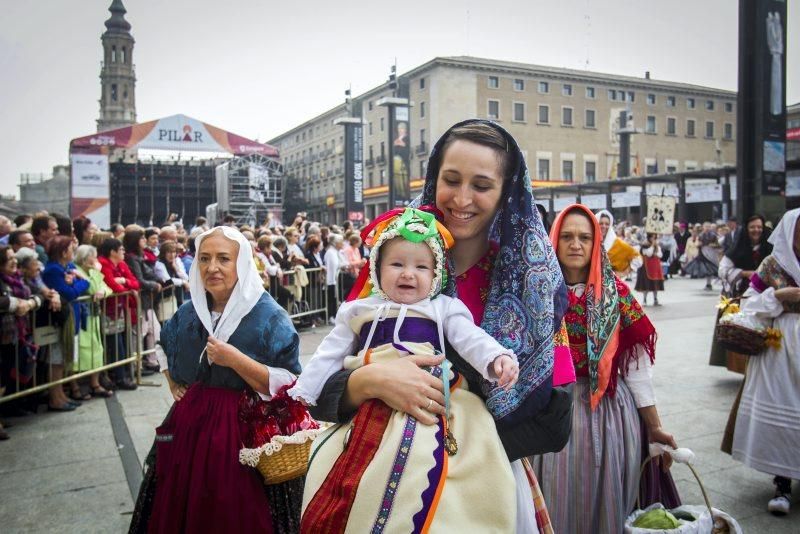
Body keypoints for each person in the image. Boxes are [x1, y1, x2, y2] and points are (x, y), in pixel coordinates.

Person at [305, 120, 571, 534]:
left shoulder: (530, 284)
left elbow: (554, 421)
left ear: (506, 191)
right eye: (451, 180)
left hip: (482, 485)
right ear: (433, 180)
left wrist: (456, 449)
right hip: (374, 474)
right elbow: (323, 389)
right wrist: (367, 382)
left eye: (482, 185)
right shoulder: (390, 270)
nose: (462, 199)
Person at [296, 207, 520, 531]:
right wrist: (306, 389)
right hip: (371, 402)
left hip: (431, 397)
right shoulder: (359, 309)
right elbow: (328, 353)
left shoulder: (442, 307)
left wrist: (495, 358)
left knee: (432, 465)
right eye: (397, 264)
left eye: (421, 266)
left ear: (436, 273)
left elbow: (471, 338)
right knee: (334, 465)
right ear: (376, 267)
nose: (408, 274)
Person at [129, 227, 303, 533]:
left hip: (244, 429)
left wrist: (235, 360)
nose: (212, 267)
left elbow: (288, 380)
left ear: (242, 264)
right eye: (204, 258)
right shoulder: (188, 312)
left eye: (224, 258)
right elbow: (163, 346)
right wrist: (173, 383)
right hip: (192, 427)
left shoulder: (269, 316)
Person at [531, 204, 679, 534]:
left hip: (609, 411)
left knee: (610, 494)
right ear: (553, 239)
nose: (575, 244)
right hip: (553, 410)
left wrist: (654, 427)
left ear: (597, 242)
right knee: (557, 497)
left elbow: (637, 371)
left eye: (585, 237)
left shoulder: (618, 295)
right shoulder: (536, 295)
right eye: (567, 236)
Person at [731, 208, 800, 516]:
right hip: (780, 350)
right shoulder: (772, 265)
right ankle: (782, 484)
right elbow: (746, 305)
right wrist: (779, 296)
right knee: (784, 416)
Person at [711, 214, 773, 369]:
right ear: (746, 229)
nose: (756, 230)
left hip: (766, 297)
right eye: (752, 227)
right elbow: (723, 270)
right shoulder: (737, 248)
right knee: (743, 332)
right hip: (742, 294)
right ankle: (742, 367)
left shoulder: (770, 248)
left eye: (759, 227)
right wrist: (744, 273)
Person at [41, 236, 91, 407]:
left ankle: (61, 395)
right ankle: (55, 398)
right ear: (63, 252)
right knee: (56, 360)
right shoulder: (53, 270)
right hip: (58, 321)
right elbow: (69, 293)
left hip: (71, 318)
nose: (73, 252)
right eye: (71, 249)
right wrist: (81, 281)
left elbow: (77, 288)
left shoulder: (67, 267)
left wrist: (76, 282)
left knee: (62, 361)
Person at [97, 238, 139, 390]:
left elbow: (135, 282)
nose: (124, 252)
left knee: (121, 342)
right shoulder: (103, 263)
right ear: (112, 251)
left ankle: (122, 374)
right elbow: (112, 285)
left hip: (120, 309)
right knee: (114, 344)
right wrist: (127, 288)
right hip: (107, 310)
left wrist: (123, 280)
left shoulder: (121, 264)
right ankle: (118, 376)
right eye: (121, 250)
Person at [73, 244, 113, 397]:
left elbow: (105, 288)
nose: (96, 260)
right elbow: (91, 289)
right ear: (85, 257)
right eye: (93, 256)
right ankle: (75, 386)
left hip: (93, 315)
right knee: (80, 350)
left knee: (96, 348)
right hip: (81, 317)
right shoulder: (77, 270)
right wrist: (96, 273)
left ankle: (95, 383)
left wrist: (103, 291)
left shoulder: (91, 270)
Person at [123, 227, 162, 374]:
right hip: (139, 301)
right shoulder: (132, 258)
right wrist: (154, 284)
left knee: (154, 331)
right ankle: (136, 366)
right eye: (142, 238)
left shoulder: (140, 256)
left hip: (147, 301)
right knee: (138, 334)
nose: (145, 240)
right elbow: (139, 280)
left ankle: (151, 360)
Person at [596, 210, 639, 278]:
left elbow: (638, 257)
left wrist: (625, 272)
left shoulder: (617, 243)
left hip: (612, 284)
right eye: (601, 223)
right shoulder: (590, 242)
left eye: (607, 224)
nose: (604, 226)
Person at [684, 222, 721, 289]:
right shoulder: (701, 235)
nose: (707, 228)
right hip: (702, 254)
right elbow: (698, 244)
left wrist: (712, 245)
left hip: (710, 254)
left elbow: (717, 245)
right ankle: (708, 283)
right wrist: (699, 245)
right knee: (706, 269)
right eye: (706, 226)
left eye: (708, 226)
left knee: (710, 269)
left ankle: (709, 283)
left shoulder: (713, 235)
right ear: (703, 227)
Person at [635, 233, 665, 305]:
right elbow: (649, 253)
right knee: (646, 284)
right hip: (646, 267)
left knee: (656, 283)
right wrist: (652, 246)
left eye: (655, 238)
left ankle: (655, 299)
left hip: (655, 267)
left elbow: (660, 255)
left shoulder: (657, 246)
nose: (653, 239)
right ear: (649, 238)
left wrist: (656, 251)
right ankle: (644, 300)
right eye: (652, 238)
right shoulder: (645, 245)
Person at [323, 233, 344, 323]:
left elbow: (341, 263)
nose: (342, 244)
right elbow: (332, 267)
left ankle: (335, 315)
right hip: (330, 280)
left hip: (335, 280)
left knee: (335, 298)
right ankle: (331, 316)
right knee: (331, 298)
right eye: (340, 242)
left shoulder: (336, 252)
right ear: (336, 243)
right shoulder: (330, 253)